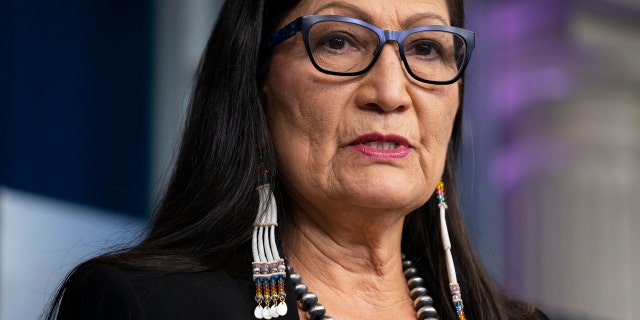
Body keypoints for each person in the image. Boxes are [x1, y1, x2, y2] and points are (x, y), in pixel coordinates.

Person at [46, 0, 548, 319]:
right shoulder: (145, 307)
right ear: (256, 84)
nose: (392, 92)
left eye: (426, 48)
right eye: (338, 40)